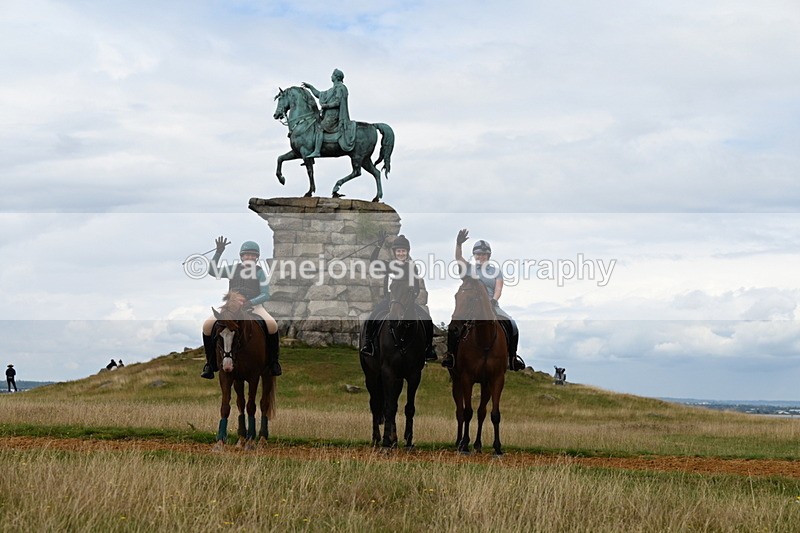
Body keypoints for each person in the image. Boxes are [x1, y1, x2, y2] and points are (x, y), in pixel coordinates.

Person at [441, 229, 526, 371]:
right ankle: (451, 356)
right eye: (478, 254)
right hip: (471, 307)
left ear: (488, 255)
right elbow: (458, 258)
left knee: (512, 324)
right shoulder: (469, 268)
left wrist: (494, 300)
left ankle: (512, 358)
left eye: (484, 254)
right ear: (474, 255)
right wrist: (458, 244)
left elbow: (498, 289)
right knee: (454, 327)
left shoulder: (496, 272)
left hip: (492, 305)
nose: (481, 256)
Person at [201, 237, 282, 379]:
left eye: (253, 255)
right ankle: (210, 364)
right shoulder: (233, 269)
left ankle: (273, 362)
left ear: (257, 257)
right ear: (242, 256)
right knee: (207, 326)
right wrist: (219, 252)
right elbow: (213, 271)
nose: (249, 257)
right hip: (231, 307)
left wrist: (250, 302)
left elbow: (265, 294)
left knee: (272, 326)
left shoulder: (259, 272)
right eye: (247, 255)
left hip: (253, 306)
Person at [360, 234, 437, 361]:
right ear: (395, 252)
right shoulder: (389, 265)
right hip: (389, 301)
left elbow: (416, 288)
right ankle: (368, 344)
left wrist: (410, 299)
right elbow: (373, 262)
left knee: (427, 319)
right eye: (399, 251)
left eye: (403, 251)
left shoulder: (412, 267)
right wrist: (378, 246)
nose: (401, 253)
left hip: (407, 302)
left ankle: (428, 349)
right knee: (372, 317)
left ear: (407, 252)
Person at [301, 68, 356, 157]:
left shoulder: (340, 88)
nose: (331, 76)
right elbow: (319, 94)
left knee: (319, 128)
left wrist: (326, 106)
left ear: (336, 77)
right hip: (328, 115)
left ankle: (317, 151)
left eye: (332, 75)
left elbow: (338, 102)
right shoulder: (332, 89)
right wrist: (310, 87)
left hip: (334, 116)